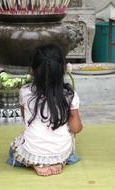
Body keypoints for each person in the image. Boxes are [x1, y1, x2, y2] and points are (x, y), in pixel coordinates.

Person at [6, 44, 83, 176]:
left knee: (15, 147)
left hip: (33, 149)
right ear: (63, 70)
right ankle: (58, 161)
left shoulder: (24, 92)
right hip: (60, 150)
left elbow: (25, 119)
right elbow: (76, 128)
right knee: (68, 137)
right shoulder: (70, 96)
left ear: (33, 70)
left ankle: (37, 162)